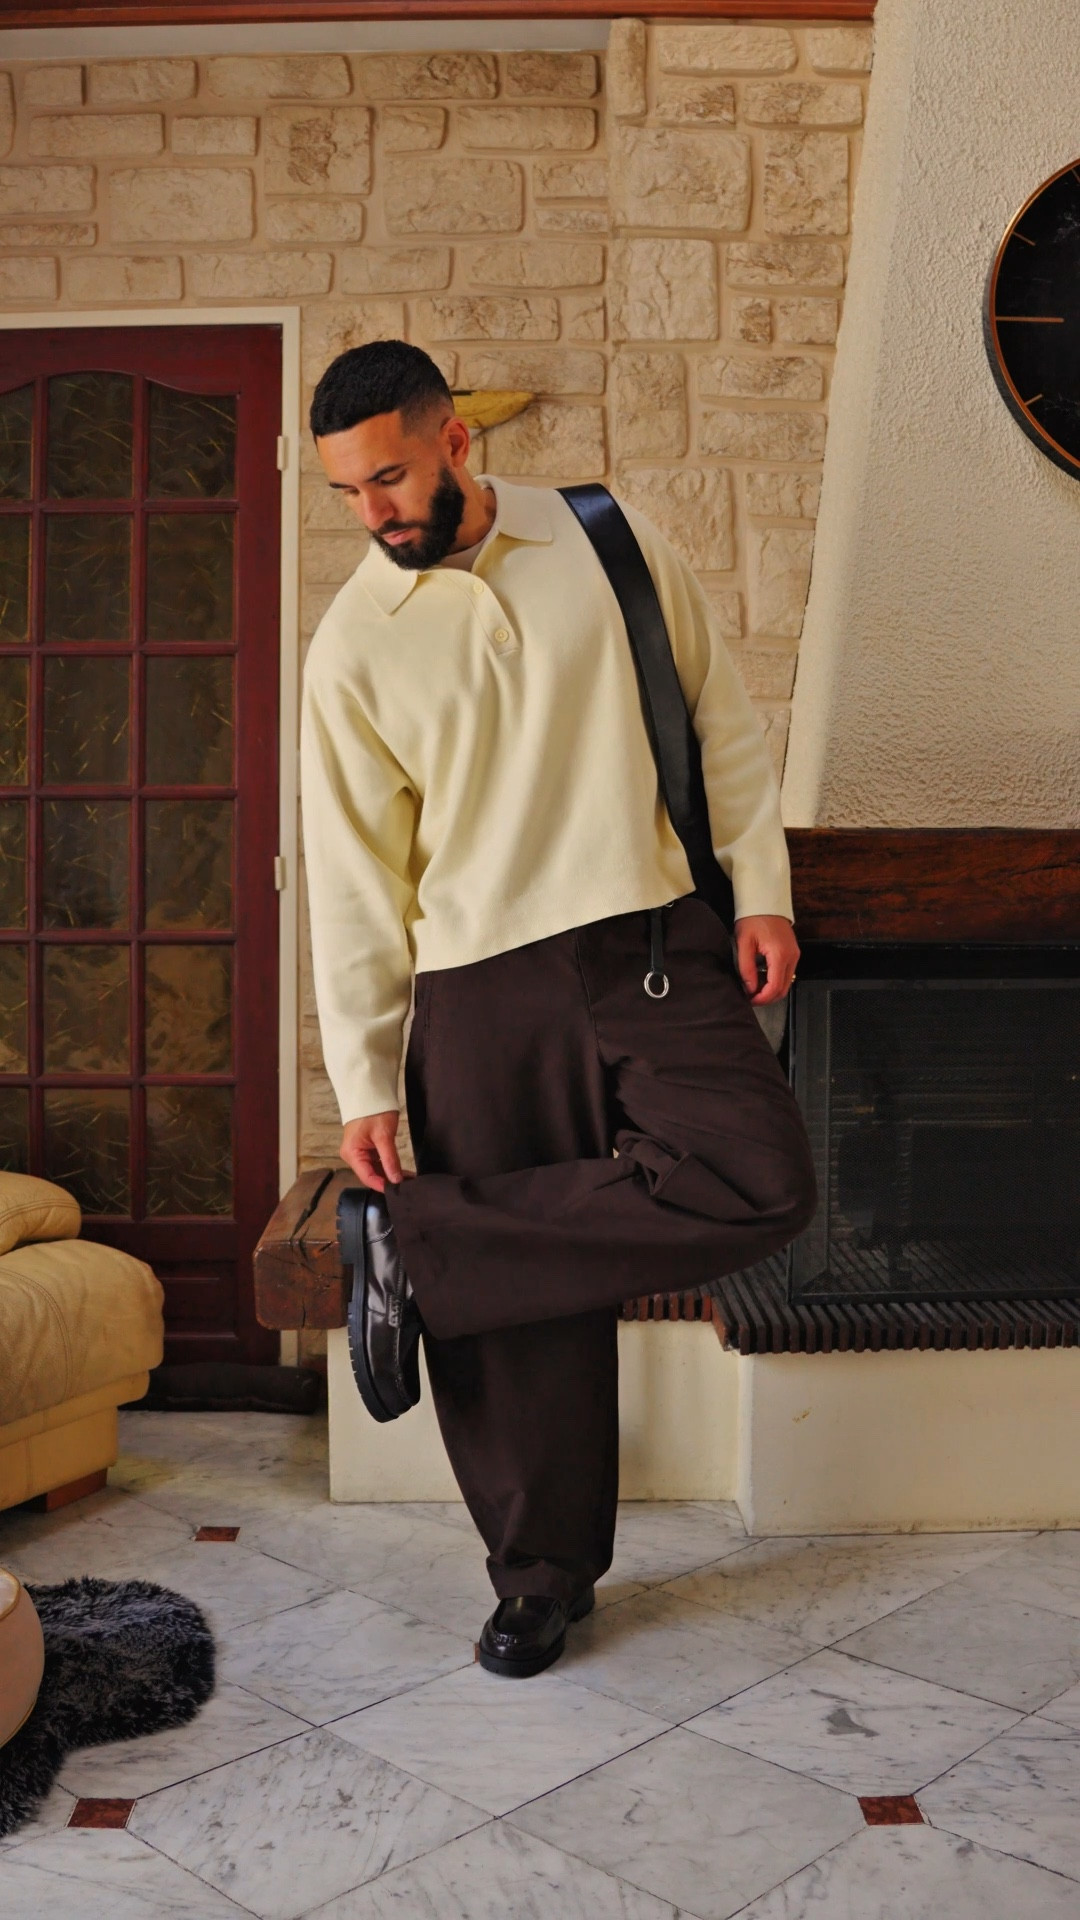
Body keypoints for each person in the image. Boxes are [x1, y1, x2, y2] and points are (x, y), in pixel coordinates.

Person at [301, 339, 816, 1680]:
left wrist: (760, 889)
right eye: (349, 491)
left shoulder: (605, 534)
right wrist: (366, 1081)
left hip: (651, 940)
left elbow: (718, 715)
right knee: (522, 1323)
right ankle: (538, 1580)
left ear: (455, 441)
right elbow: (354, 883)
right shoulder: (353, 643)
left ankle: (424, 1243)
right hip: (477, 984)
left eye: (390, 477)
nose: (373, 513)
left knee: (762, 1179)